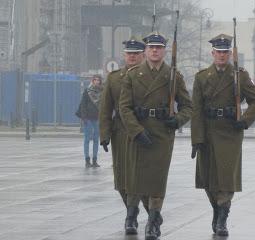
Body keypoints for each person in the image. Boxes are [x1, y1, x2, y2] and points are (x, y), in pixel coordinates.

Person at [119, 32, 192, 240]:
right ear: (146, 50)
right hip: (139, 131)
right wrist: (136, 131)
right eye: (151, 47)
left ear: (164, 51)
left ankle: (153, 221)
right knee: (136, 178)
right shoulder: (133, 75)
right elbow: (124, 107)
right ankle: (133, 215)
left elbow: (188, 106)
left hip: (161, 133)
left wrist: (177, 120)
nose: (154, 51)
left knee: (157, 180)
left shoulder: (173, 76)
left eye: (158, 48)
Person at [191, 34, 255, 236]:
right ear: (212, 53)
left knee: (225, 177)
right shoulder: (202, 77)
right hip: (207, 131)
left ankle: (222, 217)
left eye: (225, 52)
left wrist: (245, 120)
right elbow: (196, 109)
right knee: (207, 178)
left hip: (230, 132)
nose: (222, 55)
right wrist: (196, 138)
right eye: (219, 52)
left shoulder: (240, 75)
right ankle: (217, 209)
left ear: (230, 53)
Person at [99, 36, 149, 235]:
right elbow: (105, 109)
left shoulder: (147, 76)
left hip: (141, 129)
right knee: (121, 177)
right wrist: (104, 134)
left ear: (142, 55)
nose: (133, 57)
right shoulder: (113, 78)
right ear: (124, 55)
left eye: (136, 54)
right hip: (120, 131)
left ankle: (131, 214)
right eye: (130, 54)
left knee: (135, 174)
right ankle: (131, 208)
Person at [77, 74, 103, 168]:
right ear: (92, 81)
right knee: (87, 139)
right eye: (95, 80)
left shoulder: (102, 91)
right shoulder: (87, 91)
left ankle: (95, 160)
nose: (97, 81)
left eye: (98, 80)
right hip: (87, 118)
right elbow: (83, 104)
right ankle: (87, 160)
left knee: (96, 139)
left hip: (97, 118)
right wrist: (84, 117)